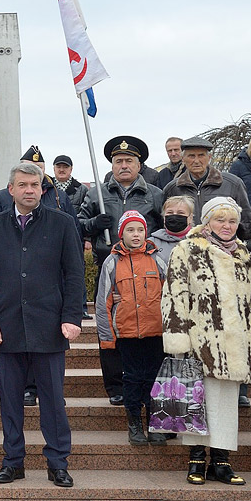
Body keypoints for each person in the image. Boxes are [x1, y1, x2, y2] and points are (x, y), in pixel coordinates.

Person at [0, 161, 84, 488]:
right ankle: (13, 462)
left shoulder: (63, 223)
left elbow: (74, 275)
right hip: (7, 325)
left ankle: (57, 463)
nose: (29, 190)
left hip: (49, 325)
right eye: (22, 185)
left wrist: (71, 317)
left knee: (52, 400)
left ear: (42, 188)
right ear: (10, 189)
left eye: (35, 185)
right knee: (10, 401)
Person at [161, 197, 251, 486]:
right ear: (207, 221)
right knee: (199, 399)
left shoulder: (243, 253)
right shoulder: (187, 249)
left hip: (235, 343)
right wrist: (178, 335)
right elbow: (173, 295)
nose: (227, 226)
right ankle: (196, 458)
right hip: (200, 340)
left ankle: (221, 461)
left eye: (232, 220)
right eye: (220, 220)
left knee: (227, 403)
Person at [77, 136, 164, 404]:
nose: (123, 165)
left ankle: (150, 383)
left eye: (129, 161)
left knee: (146, 326)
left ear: (139, 165)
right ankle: (115, 386)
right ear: (112, 165)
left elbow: (163, 228)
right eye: (118, 161)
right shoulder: (96, 194)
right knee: (110, 325)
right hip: (110, 266)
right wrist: (93, 222)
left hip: (147, 270)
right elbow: (76, 224)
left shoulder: (154, 194)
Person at [94, 211, 169, 446]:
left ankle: (155, 423)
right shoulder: (112, 261)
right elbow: (103, 301)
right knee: (133, 378)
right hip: (127, 333)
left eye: (139, 230)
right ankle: (134, 422)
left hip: (156, 332)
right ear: (121, 233)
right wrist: (107, 338)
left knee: (155, 379)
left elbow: (171, 295)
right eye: (130, 230)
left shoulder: (157, 259)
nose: (135, 235)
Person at [161, 136, 251, 242]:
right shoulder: (173, 188)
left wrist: (250, 249)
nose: (196, 161)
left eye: (201, 155)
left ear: (209, 157)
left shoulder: (232, 184)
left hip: (224, 250)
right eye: (191, 156)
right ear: (183, 159)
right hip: (185, 250)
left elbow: (247, 222)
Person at [150, 196, 195, 269]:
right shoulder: (151, 243)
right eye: (170, 212)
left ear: (190, 218)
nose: (174, 216)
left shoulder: (202, 241)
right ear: (164, 217)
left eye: (180, 213)